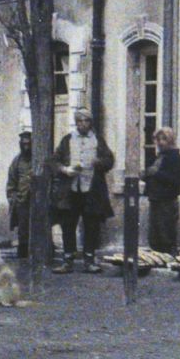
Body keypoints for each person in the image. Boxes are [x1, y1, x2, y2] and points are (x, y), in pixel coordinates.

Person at [52, 108, 115, 272]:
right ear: (76, 122)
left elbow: (109, 160)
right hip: (71, 190)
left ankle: (89, 260)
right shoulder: (67, 140)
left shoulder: (97, 140)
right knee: (68, 225)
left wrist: (98, 162)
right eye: (79, 121)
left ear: (90, 122)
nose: (83, 124)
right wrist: (65, 170)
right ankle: (67, 261)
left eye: (86, 120)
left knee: (91, 224)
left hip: (91, 190)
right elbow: (54, 161)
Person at [142, 127, 180, 254]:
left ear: (171, 141)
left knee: (165, 233)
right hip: (156, 199)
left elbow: (175, 180)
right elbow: (153, 175)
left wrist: (156, 173)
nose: (160, 142)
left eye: (164, 139)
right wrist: (146, 175)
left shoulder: (176, 158)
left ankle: (167, 257)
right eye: (158, 139)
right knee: (155, 234)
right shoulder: (160, 157)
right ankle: (158, 257)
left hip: (167, 200)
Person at [6, 130, 35, 260]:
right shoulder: (16, 161)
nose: (26, 147)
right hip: (22, 201)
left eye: (29, 144)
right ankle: (23, 257)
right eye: (24, 144)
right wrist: (13, 199)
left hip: (38, 201)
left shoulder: (38, 159)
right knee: (23, 230)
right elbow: (11, 183)